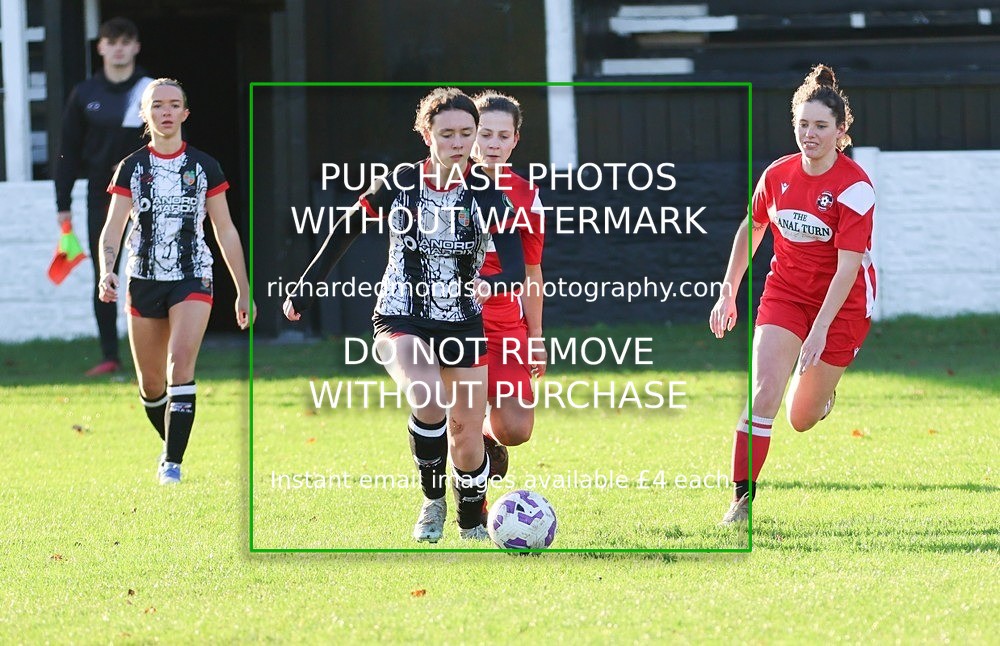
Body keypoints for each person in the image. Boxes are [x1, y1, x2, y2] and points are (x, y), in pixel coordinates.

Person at [283, 87, 526, 542]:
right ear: (426, 134)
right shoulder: (398, 183)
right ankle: (433, 500)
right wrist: (307, 286)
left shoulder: (488, 196)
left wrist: (492, 284)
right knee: (426, 396)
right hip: (400, 315)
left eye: (466, 133)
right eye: (447, 133)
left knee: (466, 436)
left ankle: (470, 522)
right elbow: (346, 228)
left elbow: (515, 268)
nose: (458, 142)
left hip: (463, 322)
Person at [709, 64, 876, 524]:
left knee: (799, 418)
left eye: (821, 126)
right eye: (803, 124)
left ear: (840, 132)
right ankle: (741, 503)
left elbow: (847, 267)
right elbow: (753, 226)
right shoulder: (777, 174)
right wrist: (728, 292)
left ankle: (822, 397)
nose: (810, 134)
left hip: (842, 306)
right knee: (763, 393)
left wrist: (819, 330)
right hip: (785, 294)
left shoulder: (855, 188)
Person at [97, 78, 255, 485]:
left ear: (185, 113)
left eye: (173, 104)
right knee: (152, 385)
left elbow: (225, 229)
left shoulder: (204, 166)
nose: (165, 112)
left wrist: (243, 289)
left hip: (192, 276)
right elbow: (113, 227)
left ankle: (172, 464)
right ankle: (171, 443)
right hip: (143, 278)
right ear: (145, 114)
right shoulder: (132, 167)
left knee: (179, 364)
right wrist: (106, 270)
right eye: (157, 105)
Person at [54, 17, 154, 376]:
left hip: (149, 191)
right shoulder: (84, 94)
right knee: (106, 272)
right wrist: (62, 204)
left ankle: (155, 354)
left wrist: (135, 163)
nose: (119, 49)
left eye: (125, 42)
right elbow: (67, 151)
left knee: (154, 272)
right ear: (100, 48)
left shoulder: (150, 90)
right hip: (101, 194)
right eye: (112, 42)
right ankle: (110, 357)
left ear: (136, 46)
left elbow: (171, 139)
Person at [470, 91, 547, 479]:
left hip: (503, 321)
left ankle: (487, 436)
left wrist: (535, 337)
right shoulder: (444, 185)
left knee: (515, 430)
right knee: (459, 416)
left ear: (515, 139)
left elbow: (532, 273)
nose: (493, 144)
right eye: (485, 134)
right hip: (453, 317)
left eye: (503, 136)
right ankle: (471, 502)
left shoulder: (526, 196)